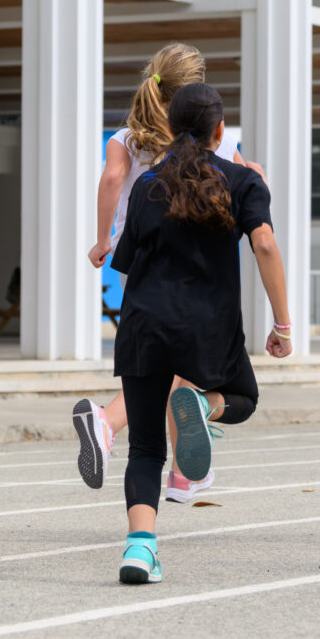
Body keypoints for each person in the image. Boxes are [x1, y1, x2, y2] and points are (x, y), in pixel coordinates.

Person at [109, 83, 291, 583]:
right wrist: (282, 324)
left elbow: (126, 261)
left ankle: (139, 551)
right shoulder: (241, 181)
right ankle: (205, 407)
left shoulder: (148, 185)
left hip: (144, 325)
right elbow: (267, 246)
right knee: (243, 397)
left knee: (145, 448)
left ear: (168, 129)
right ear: (219, 131)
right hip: (207, 326)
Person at [76, 43, 260, 505]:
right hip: (195, 261)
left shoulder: (128, 136)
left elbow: (112, 181)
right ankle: (112, 424)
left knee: (160, 367)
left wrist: (103, 239)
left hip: (136, 256)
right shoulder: (212, 137)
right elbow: (243, 177)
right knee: (184, 370)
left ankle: (182, 474)